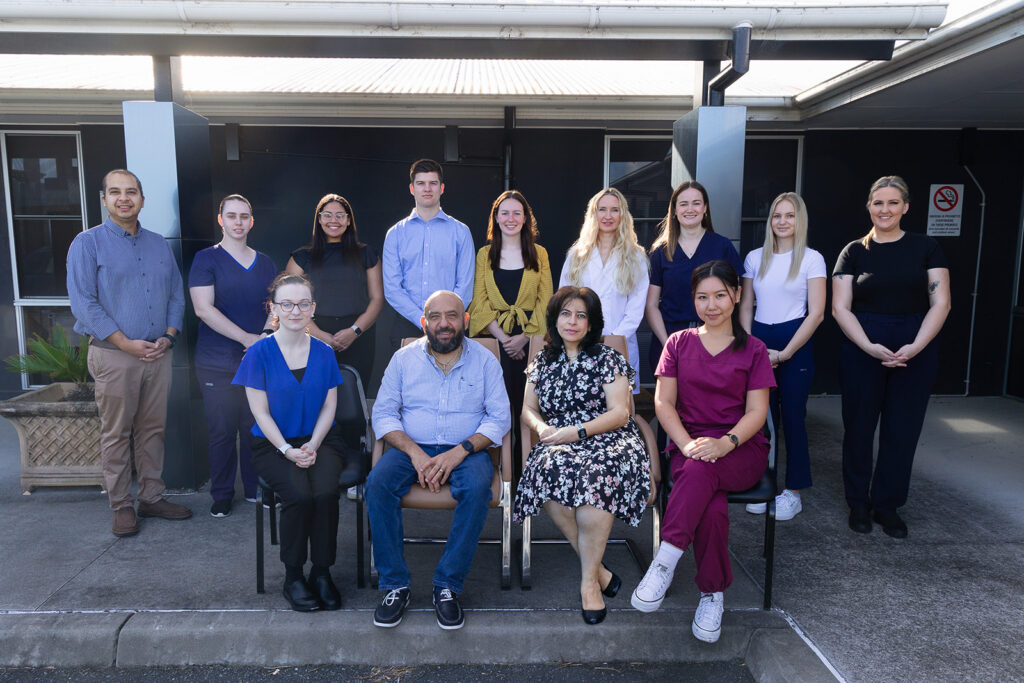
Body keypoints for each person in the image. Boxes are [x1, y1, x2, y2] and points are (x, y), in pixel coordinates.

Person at [631, 260, 774, 645]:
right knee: (708, 502)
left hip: (740, 447)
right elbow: (663, 403)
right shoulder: (678, 344)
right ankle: (713, 594)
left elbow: (758, 412)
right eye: (702, 297)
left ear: (737, 295)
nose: (712, 305)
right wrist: (686, 444)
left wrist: (725, 442)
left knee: (699, 475)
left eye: (720, 296)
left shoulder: (755, 349)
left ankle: (665, 561)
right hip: (689, 443)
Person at [368, 290, 510, 631]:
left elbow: (499, 418)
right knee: (377, 484)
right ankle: (394, 585)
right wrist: (416, 454)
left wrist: (459, 450)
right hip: (410, 448)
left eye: (451, 316)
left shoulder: (485, 360)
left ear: (465, 320)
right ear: (424, 322)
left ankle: (447, 585)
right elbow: (384, 414)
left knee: (478, 488)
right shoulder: (403, 359)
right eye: (435, 317)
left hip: (466, 450)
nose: (444, 324)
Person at [514, 286, 651, 625]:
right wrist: (542, 429)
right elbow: (526, 411)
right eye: (565, 313)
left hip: (609, 440)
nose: (572, 321)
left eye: (580, 315)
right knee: (547, 473)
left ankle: (589, 583)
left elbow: (620, 413)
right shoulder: (542, 361)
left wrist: (575, 432)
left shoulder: (607, 358)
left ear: (592, 323)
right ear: (555, 319)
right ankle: (600, 571)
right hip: (558, 441)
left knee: (593, 488)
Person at [67, 169, 192, 537]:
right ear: (103, 199)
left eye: (132, 191)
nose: (125, 198)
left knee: (152, 429)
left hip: (158, 353)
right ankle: (121, 505)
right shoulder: (87, 244)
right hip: (114, 355)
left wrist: (169, 337)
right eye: (115, 192)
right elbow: (84, 304)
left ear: (142, 198)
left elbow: (175, 294)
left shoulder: (158, 245)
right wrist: (124, 342)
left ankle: (152, 496)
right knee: (116, 433)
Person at [832, 175, 950, 539]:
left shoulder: (926, 247)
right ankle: (859, 504)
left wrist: (916, 346)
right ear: (869, 207)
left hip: (914, 351)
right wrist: (867, 345)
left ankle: (887, 506)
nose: (885, 210)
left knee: (902, 430)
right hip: (861, 349)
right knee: (859, 429)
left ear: (906, 207)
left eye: (893, 203)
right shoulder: (854, 251)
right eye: (878, 203)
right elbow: (840, 307)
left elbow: (941, 302)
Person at [233, 273, 349, 612]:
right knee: (298, 495)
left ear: (312, 308)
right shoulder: (258, 354)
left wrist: (312, 444)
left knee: (326, 492)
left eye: (302, 304)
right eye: (287, 304)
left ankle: (323, 573)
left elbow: (330, 406)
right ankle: (294, 576)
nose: (295, 310)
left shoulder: (325, 353)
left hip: (322, 438)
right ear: (274, 309)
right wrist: (287, 450)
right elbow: (260, 413)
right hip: (272, 442)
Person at [738, 192, 826, 521]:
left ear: (799, 220)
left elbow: (816, 313)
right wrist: (751, 344)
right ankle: (760, 483)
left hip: (795, 339)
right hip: (759, 338)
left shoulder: (812, 259)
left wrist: (787, 352)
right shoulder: (755, 257)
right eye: (777, 215)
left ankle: (793, 491)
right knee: (759, 419)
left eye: (789, 215)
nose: (782, 221)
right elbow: (745, 305)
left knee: (792, 418)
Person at [189, 194, 278, 518]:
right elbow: (203, 308)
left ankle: (257, 489)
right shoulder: (206, 259)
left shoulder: (266, 262)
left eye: (244, 216)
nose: (238, 222)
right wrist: (246, 338)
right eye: (232, 216)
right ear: (221, 220)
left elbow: (276, 307)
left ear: (251, 221)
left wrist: (265, 337)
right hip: (216, 361)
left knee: (255, 426)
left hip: (257, 360)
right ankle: (223, 493)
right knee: (222, 430)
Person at [467, 190, 553, 478]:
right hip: (493, 343)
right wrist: (504, 339)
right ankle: (496, 473)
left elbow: (546, 300)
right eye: (504, 213)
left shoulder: (539, 254)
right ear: (496, 217)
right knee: (494, 409)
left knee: (526, 410)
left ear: (526, 218)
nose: (511, 218)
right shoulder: (484, 254)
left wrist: (524, 338)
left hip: (531, 343)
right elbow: (478, 301)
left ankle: (525, 475)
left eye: (517, 213)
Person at [645, 180, 743, 375]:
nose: (690, 209)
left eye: (696, 203)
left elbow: (735, 297)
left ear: (705, 208)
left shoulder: (723, 247)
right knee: (670, 403)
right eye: (683, 204)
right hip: (670, 337)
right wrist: (668, 345)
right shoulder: (660, 252)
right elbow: (651, 305)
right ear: (674, 210)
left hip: (715, 337)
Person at [285, 193, 383, 387]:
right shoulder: (301, 257)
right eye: (327, 215)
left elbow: (377, 298)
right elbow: (289, 302)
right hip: (313, 335)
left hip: (358, 337)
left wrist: (354, 331)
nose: (334, 220)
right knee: (316, 398)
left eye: (340, 215)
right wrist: (319, 334)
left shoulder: (367, 254)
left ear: (348, 221)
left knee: (354, 398)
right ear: (319, 219)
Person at [559, 188, 648, 391]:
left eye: (614, 210)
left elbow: (636, 308)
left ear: (623, 214)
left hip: (620, 344)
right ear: (593, 214)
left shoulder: (636, 256)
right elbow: (564, 300)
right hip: (580, 343)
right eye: (602, 209)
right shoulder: (577, 255)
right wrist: (584, 336)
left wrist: (613, 339)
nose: (608, 216)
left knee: (620, 411)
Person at [382, 158, 475, 350]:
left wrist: (444, 319)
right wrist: (423, 320)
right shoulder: (395, 234)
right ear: (411, 188)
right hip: (407, 324)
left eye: (433, 183)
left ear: (441, 188)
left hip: (450, 327)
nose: (427, 188)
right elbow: (392, 288)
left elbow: (465, 285)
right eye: (421, 183)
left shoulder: (460, 232)